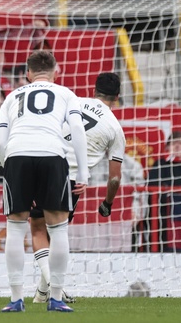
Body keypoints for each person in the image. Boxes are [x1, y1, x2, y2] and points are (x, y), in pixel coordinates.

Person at [0, 50, 88, 313]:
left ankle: (16, 299)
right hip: (52, 155)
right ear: (56, 72)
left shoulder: (12, 96)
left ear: (28, 73)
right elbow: (77, 129)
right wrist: (83, 173)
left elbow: (0, 142)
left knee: (15, 229)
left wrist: (8, 167)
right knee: (58, 230)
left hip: (17, 155)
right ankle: (56, 299)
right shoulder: (66, 94)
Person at [29, 72, 126, 304]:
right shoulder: (115, 128)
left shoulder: (72, 101)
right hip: (72, 180)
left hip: (43, 164)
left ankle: (44, 291)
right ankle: (52, 288)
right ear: (117, 97)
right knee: (56, 234)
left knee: (38, 229)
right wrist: (107, 203)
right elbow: (114, 178)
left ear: (94, 90)